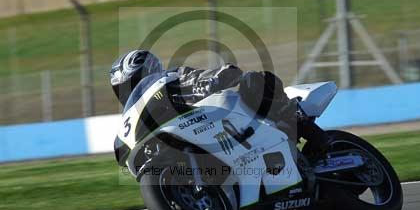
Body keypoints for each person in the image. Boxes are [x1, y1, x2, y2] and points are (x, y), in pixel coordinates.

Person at [109, 49, 327, 159]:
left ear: (150, 72)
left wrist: (210, 81)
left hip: (224, 122)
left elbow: (227, 72)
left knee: (252, 81)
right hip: (206, 146)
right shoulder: (141, 122)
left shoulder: (174, 79)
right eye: (123, 89)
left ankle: (296, 119)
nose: (130, 93)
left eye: (133, 84)